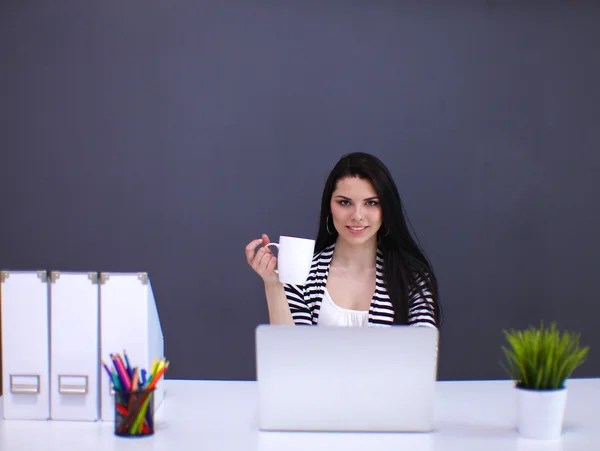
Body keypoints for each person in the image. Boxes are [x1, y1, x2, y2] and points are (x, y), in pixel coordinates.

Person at [245, 152, 441, 328]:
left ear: (386, 209)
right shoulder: (304, 274)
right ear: (329, 205)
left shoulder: (411, 278)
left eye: (371, 203)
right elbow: (288, 356)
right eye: (345, 202)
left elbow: (423, 358)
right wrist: (273, 285)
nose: (357, 215)